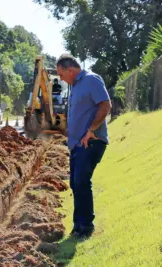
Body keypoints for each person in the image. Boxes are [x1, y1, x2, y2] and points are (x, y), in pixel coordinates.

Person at [56, 53, 111, 238]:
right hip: (77, 144)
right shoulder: (75, 87)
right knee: (75, 184)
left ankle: (86, 227)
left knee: (81, 182)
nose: (61, 79)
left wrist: (91, 130)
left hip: (91, 141)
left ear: (70, 70)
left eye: (62, 75)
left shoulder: (91, 80)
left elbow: (105, 105)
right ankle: (78, 226)